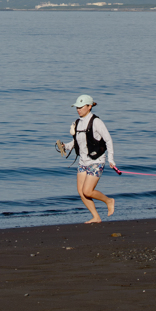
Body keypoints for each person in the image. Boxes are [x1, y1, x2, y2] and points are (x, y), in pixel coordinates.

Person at [57, 94, 117, 224]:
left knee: (88, 191)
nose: (78, 109)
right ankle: (96, 217)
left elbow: (108, 139)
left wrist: (111, 159)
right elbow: (76, 142)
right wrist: (65, 146)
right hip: (83, 161)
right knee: (81, 192)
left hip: (96, 161)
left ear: (89, 107)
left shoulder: (96, 122)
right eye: (77, 107)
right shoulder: (77, 123)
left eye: (81, 107)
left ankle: (109, 201)